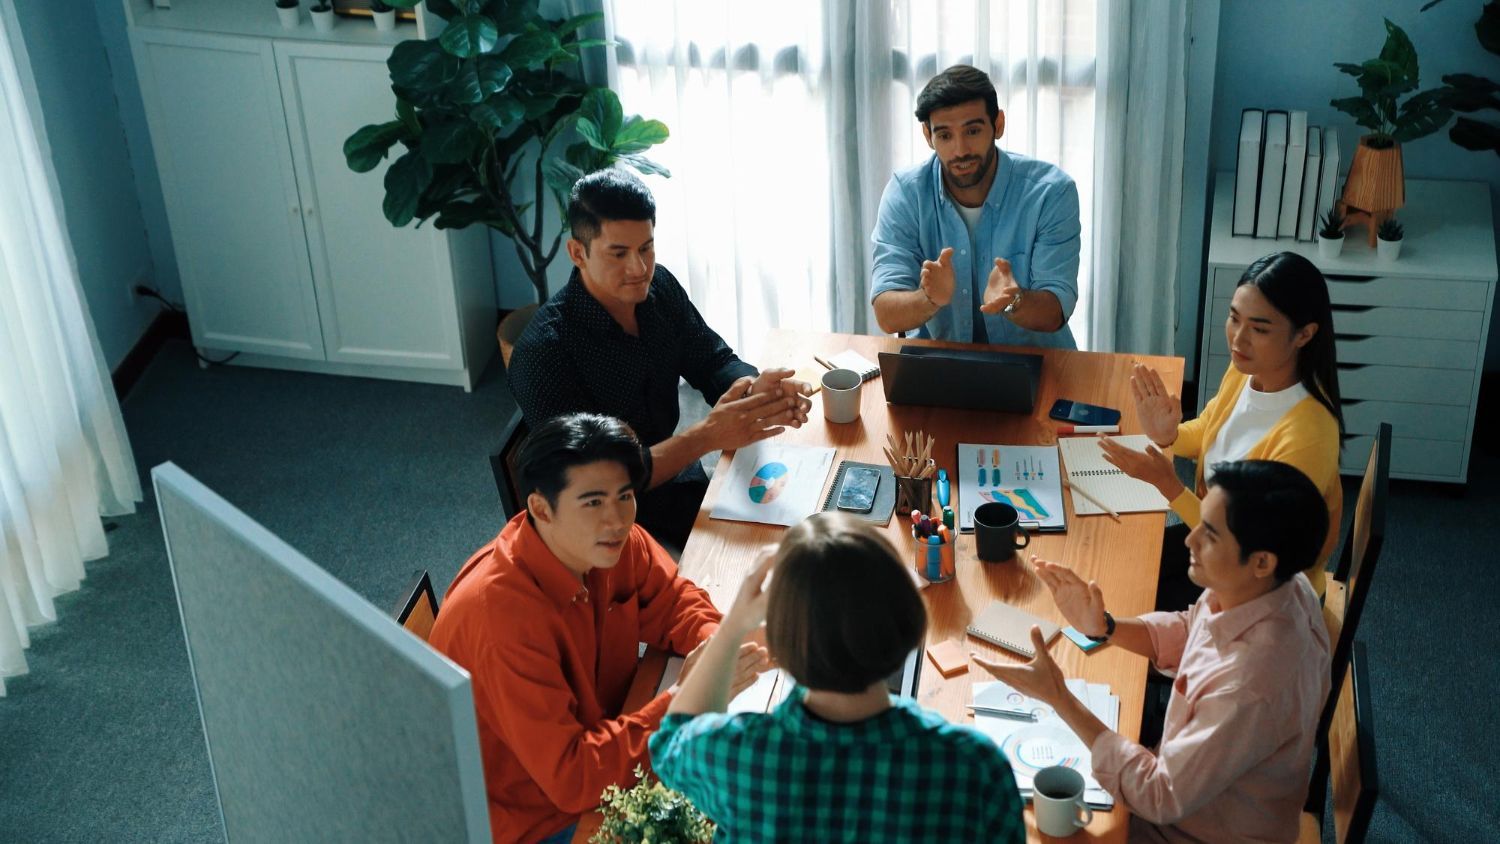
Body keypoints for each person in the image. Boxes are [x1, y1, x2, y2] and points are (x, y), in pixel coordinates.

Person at [428, 413, 770, 844]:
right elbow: (573, 780)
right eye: (592, 502)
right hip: (536, 816)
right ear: (540, 509)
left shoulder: (611, 543)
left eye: (624, 496)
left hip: (609, 735)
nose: (616, 519)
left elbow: (672, 600)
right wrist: (686, 701)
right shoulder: (500, 621)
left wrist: (718, 649)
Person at [976, 460, 1332, 844]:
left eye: (1210, 535)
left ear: (1262, 561)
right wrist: (1104, 626)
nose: (1189, 540)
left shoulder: (1250, 687)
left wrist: (1060, 699)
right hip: (1192, 795)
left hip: (1187, 831)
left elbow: (1158, 796)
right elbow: (1190, 628)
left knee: (996, 816)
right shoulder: (1277, 587)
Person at [650, 513, 1026, 842]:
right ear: (909, 619)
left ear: (780, 643)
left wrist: (733, 627)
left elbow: (670, 741)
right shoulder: (974, 765)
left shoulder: (740, 758)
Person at [508, 168, 812, 551]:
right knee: (759, 559)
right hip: (605, 529)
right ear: (577, 253)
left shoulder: (660, 288)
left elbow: (712, 358)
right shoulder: (544, 354)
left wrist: (755, 388)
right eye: (618, 253)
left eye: (646, 248)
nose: (639, 269)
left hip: (676, 482)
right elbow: (598, 481)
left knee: (795, 532)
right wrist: (708, 435)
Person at [1100, 251, 1343, 605]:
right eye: (1234, 318)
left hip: (1259, 586)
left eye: (1259, 328)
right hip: (1214, 538)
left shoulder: (1307, 437)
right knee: (1116, 573)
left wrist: (1170, 486)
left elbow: (1247, 546)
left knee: (1127, 607)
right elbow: (1211, 429)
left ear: (1304, 334)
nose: (1238, 340)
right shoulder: (1250, 371)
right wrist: (1172, 435)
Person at [870, 64, 1082, 347]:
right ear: (927, 135)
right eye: (944, 135)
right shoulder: (905, 194)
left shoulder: (1051, 193)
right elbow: (886, 314)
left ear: (998, 125)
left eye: (972, 131)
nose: (960, 150)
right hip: (941, 370)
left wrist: (1014, 302)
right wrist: (928, 299)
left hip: (1038, 366)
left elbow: (1056, 310)